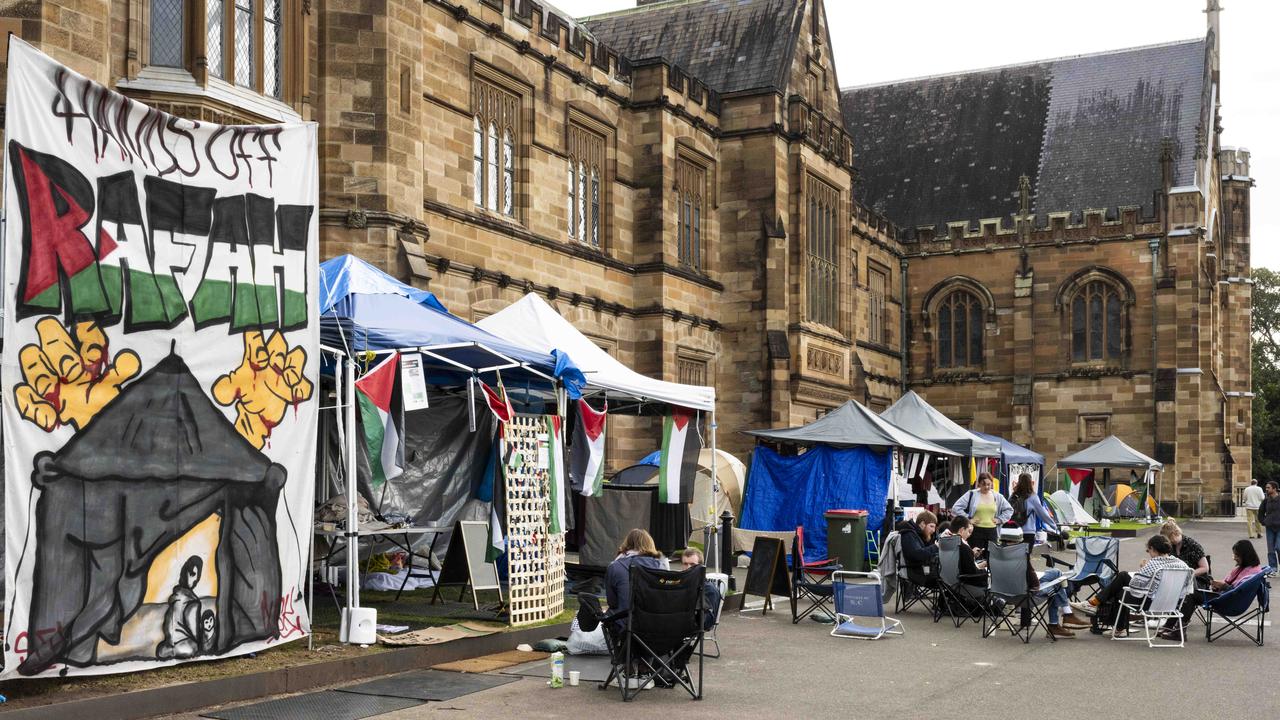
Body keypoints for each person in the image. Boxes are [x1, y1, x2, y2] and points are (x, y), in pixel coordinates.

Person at [1089, 534, 1190, 638]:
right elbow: (1188, 586)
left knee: (1120, 590)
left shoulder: (1154, 563)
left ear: (1152, 548)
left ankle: (1099, 607)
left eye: (1148, 550)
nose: (1149, 554)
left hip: (1150, 604)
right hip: (1172, 604)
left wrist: (1142, 569)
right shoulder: (1182, 564)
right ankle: (1115, 624)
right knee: (1122, 580)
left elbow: (1135, 584)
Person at [605, 529, 669, 620]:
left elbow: (612, 603)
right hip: (657, 624)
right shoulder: (662, 566)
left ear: (627, 544)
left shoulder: (615, 566)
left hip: (625, 626)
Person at [951, 473, 1013, 553]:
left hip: (992, 532)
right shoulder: (972, 494)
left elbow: (1009, 509)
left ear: (991, 484)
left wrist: (1000, 519)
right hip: (976, 531)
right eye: (983, 484)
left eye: (989, 484)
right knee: (976, 556)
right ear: (979, 483)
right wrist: (968, 519)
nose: (986, 487)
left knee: (991, 557)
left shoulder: (997, 496)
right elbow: (956, 508)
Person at [157, 556, 204, 659]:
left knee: (162, 649)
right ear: (185, 572)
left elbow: (167, 624)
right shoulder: (193, 602)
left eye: (197, 577)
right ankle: (175, 651)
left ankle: (171, 650)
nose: (195, 580)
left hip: (167, 646)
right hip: (184, 646)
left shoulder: (175, 596)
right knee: (195, 646)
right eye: (192, 574)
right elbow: (194, 632)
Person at [679, 548, 723, 632]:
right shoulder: (679, 583)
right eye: (685, 564)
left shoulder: (708, 589)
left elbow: (707, 622)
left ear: (700, 567)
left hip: (694, 625)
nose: (688, 567)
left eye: (692, 564)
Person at [1010, 473, 1059, 545]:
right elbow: (1042, 514)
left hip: (1014, 530)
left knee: (1015, 554)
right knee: (1026, 554)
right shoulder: (1033, 497)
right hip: (1028, 532)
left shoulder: (1013, 496)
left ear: (1019, 482)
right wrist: (1053, 525)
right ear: (1030, 483)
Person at [947, 516, 987, 586]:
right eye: (968, 531)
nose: (970, 535)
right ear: (962, 530)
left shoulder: (946, 541)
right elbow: (972, 573)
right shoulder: (963, 546)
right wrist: (985, 570)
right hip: (966, 585)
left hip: (949, 583)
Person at [1258, 481, 1280, 568]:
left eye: (1268, 488)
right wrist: (1264, 521)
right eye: (1266, 488)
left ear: (1274, 489)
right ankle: (1273, 568)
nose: (1266, 489)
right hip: (1270, 527)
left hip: (1279, 527)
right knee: (1270, 549)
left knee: (1278, 547)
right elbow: (1260, 512)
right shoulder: (1266, 501)